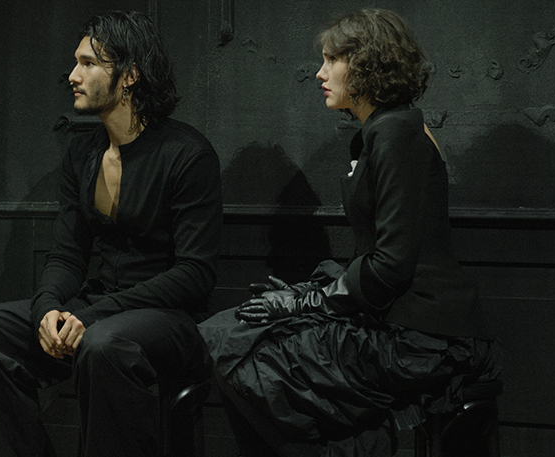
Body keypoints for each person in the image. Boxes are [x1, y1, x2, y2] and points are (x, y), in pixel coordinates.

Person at [198, 8, 501, 457]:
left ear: (366, 65)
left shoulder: (397, 134)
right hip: (393, 315)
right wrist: (311, 294)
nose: (319, 73)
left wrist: (305, 302)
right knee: (232, 331)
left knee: (241, 349)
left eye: (331, 60)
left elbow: (392, 265)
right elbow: (378, 254)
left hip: (423, 334)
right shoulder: (380, 131)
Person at [0, 10, 222, 457]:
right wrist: (46, 309)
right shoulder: (83, 153)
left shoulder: (187, 154)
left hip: (171, 319)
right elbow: (67, 254)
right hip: (98, 308)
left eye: (89, 63)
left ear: (129, 75)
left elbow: (194, 274)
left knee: (102, 343)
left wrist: (93, 317)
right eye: (76, 63)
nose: (73, 75)